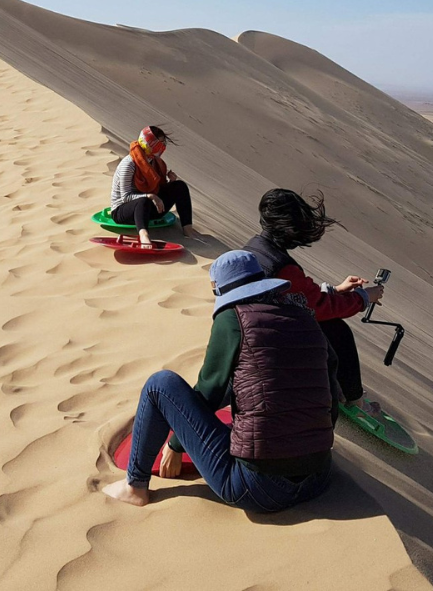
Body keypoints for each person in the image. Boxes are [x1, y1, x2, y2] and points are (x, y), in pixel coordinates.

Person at [103, 249, 336, 511]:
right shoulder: (304, 316)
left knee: (160, 385)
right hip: (320, 477)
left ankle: (134, 486)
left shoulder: (233, 318)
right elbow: (331, 384)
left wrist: (176, 444)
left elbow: (209, 392)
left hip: (258, 489)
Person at [243, 188, 384, 418]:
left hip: (252, 326)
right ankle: (354, 399)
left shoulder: (255, 247)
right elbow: (320, 307)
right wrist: (364, 297)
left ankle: (339, 387)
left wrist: (336, 290)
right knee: (337, 331)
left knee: (328, 329)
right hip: (271, 340)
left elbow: (297, 296)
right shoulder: (282, 265)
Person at [110, 126, 197, 246]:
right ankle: (144, 236)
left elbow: (157, 189)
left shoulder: (154, 162)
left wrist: (170, 182)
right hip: (123, 211)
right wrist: (150, 196)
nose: (161, 147)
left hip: (149, 209)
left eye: (163, 144)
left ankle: (188, 230)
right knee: (143, 201)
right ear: (147, 143)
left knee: (179, 186)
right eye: (157, 144)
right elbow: (126, 197)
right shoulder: (129, 164)